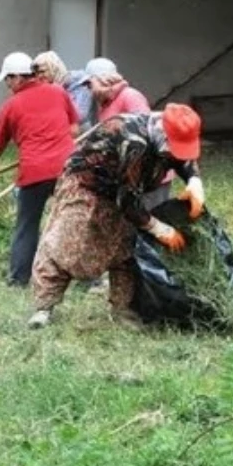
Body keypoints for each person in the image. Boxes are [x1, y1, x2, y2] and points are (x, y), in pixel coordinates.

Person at [27, 104, 207, 328]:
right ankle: (44, 308)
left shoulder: (171, 126)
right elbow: (127, 201)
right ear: (162, 134)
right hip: (87, 187)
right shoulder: (131, 141)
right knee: (66, 246)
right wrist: (160, 229)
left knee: (125, 247)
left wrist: (194, 181)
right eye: (173, 147)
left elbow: (182, 158)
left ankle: (123, 309)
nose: (175, 153)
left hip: (125, 190)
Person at [0, 52, 80, 287]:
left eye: (8, 79)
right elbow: (75, 128)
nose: (7, 85)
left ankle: (19, 279)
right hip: (68, 168)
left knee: (27, 225)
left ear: (18, 77)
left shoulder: (10, 106)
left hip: (34, 172)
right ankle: (87, 278)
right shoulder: (58, 92)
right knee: (73, 221)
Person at [85, 56, 173, 210]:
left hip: (149, 176)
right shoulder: (106, 104)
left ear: (104, 81)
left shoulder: (130, 96)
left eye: (89, 84)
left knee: (151, 220)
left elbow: (148, 134)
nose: (89, 90)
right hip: (128, 175)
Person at [34, 50, 95, 131]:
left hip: (82, 134)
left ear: (54, 68)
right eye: (37, 73)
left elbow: (80, 116)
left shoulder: (80, 82)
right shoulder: (44, 88)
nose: (39, 76)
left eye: (42, 71)